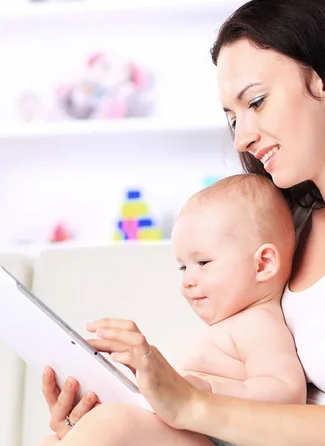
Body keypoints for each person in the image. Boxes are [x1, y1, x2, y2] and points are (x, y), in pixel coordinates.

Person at [39, 0, 325, 445]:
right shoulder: (294, 223)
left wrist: (189, 405)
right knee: (108, 428)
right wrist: (137, 403)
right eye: (231, 117)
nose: (242, 136)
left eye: (256, 102)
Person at [37, 173, 307, 446]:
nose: (188, 280)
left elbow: (288, 394)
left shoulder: (259, 323)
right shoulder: (230, 326)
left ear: (263, 264)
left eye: (203, 262)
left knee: (113, 422)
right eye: (183, 267)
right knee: (54, 440)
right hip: (195, 432)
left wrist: (204, 390)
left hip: (222, 439)